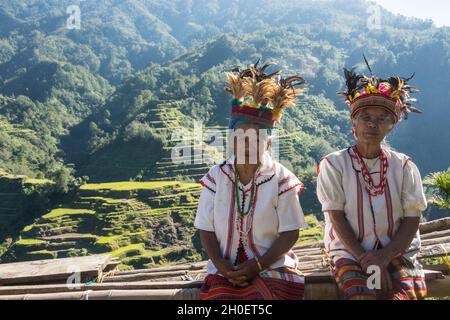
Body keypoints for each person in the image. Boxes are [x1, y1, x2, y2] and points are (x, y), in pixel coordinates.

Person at [194, 61, 308, 300]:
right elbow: (205, 227)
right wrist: (222, 266)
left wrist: (257, 265)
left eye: (256, 137)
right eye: (241, 135)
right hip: (225, 269)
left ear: (268, 142)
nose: (247, 143)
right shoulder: (217, 177)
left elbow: (290, 232)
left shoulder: (281, 179)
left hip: (272, 267)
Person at [316, 60, 428, 300]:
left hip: (397, 253)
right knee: (363, 296)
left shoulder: (404, 166)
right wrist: (366, 259)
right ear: (353, 123)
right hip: (350, 253)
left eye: (381, 118)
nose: (372, 124)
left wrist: (384, 256)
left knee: (399, 297)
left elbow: (411, 219)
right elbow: (335, 215)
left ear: (392, 124)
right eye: (365, 117)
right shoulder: (334, 165)